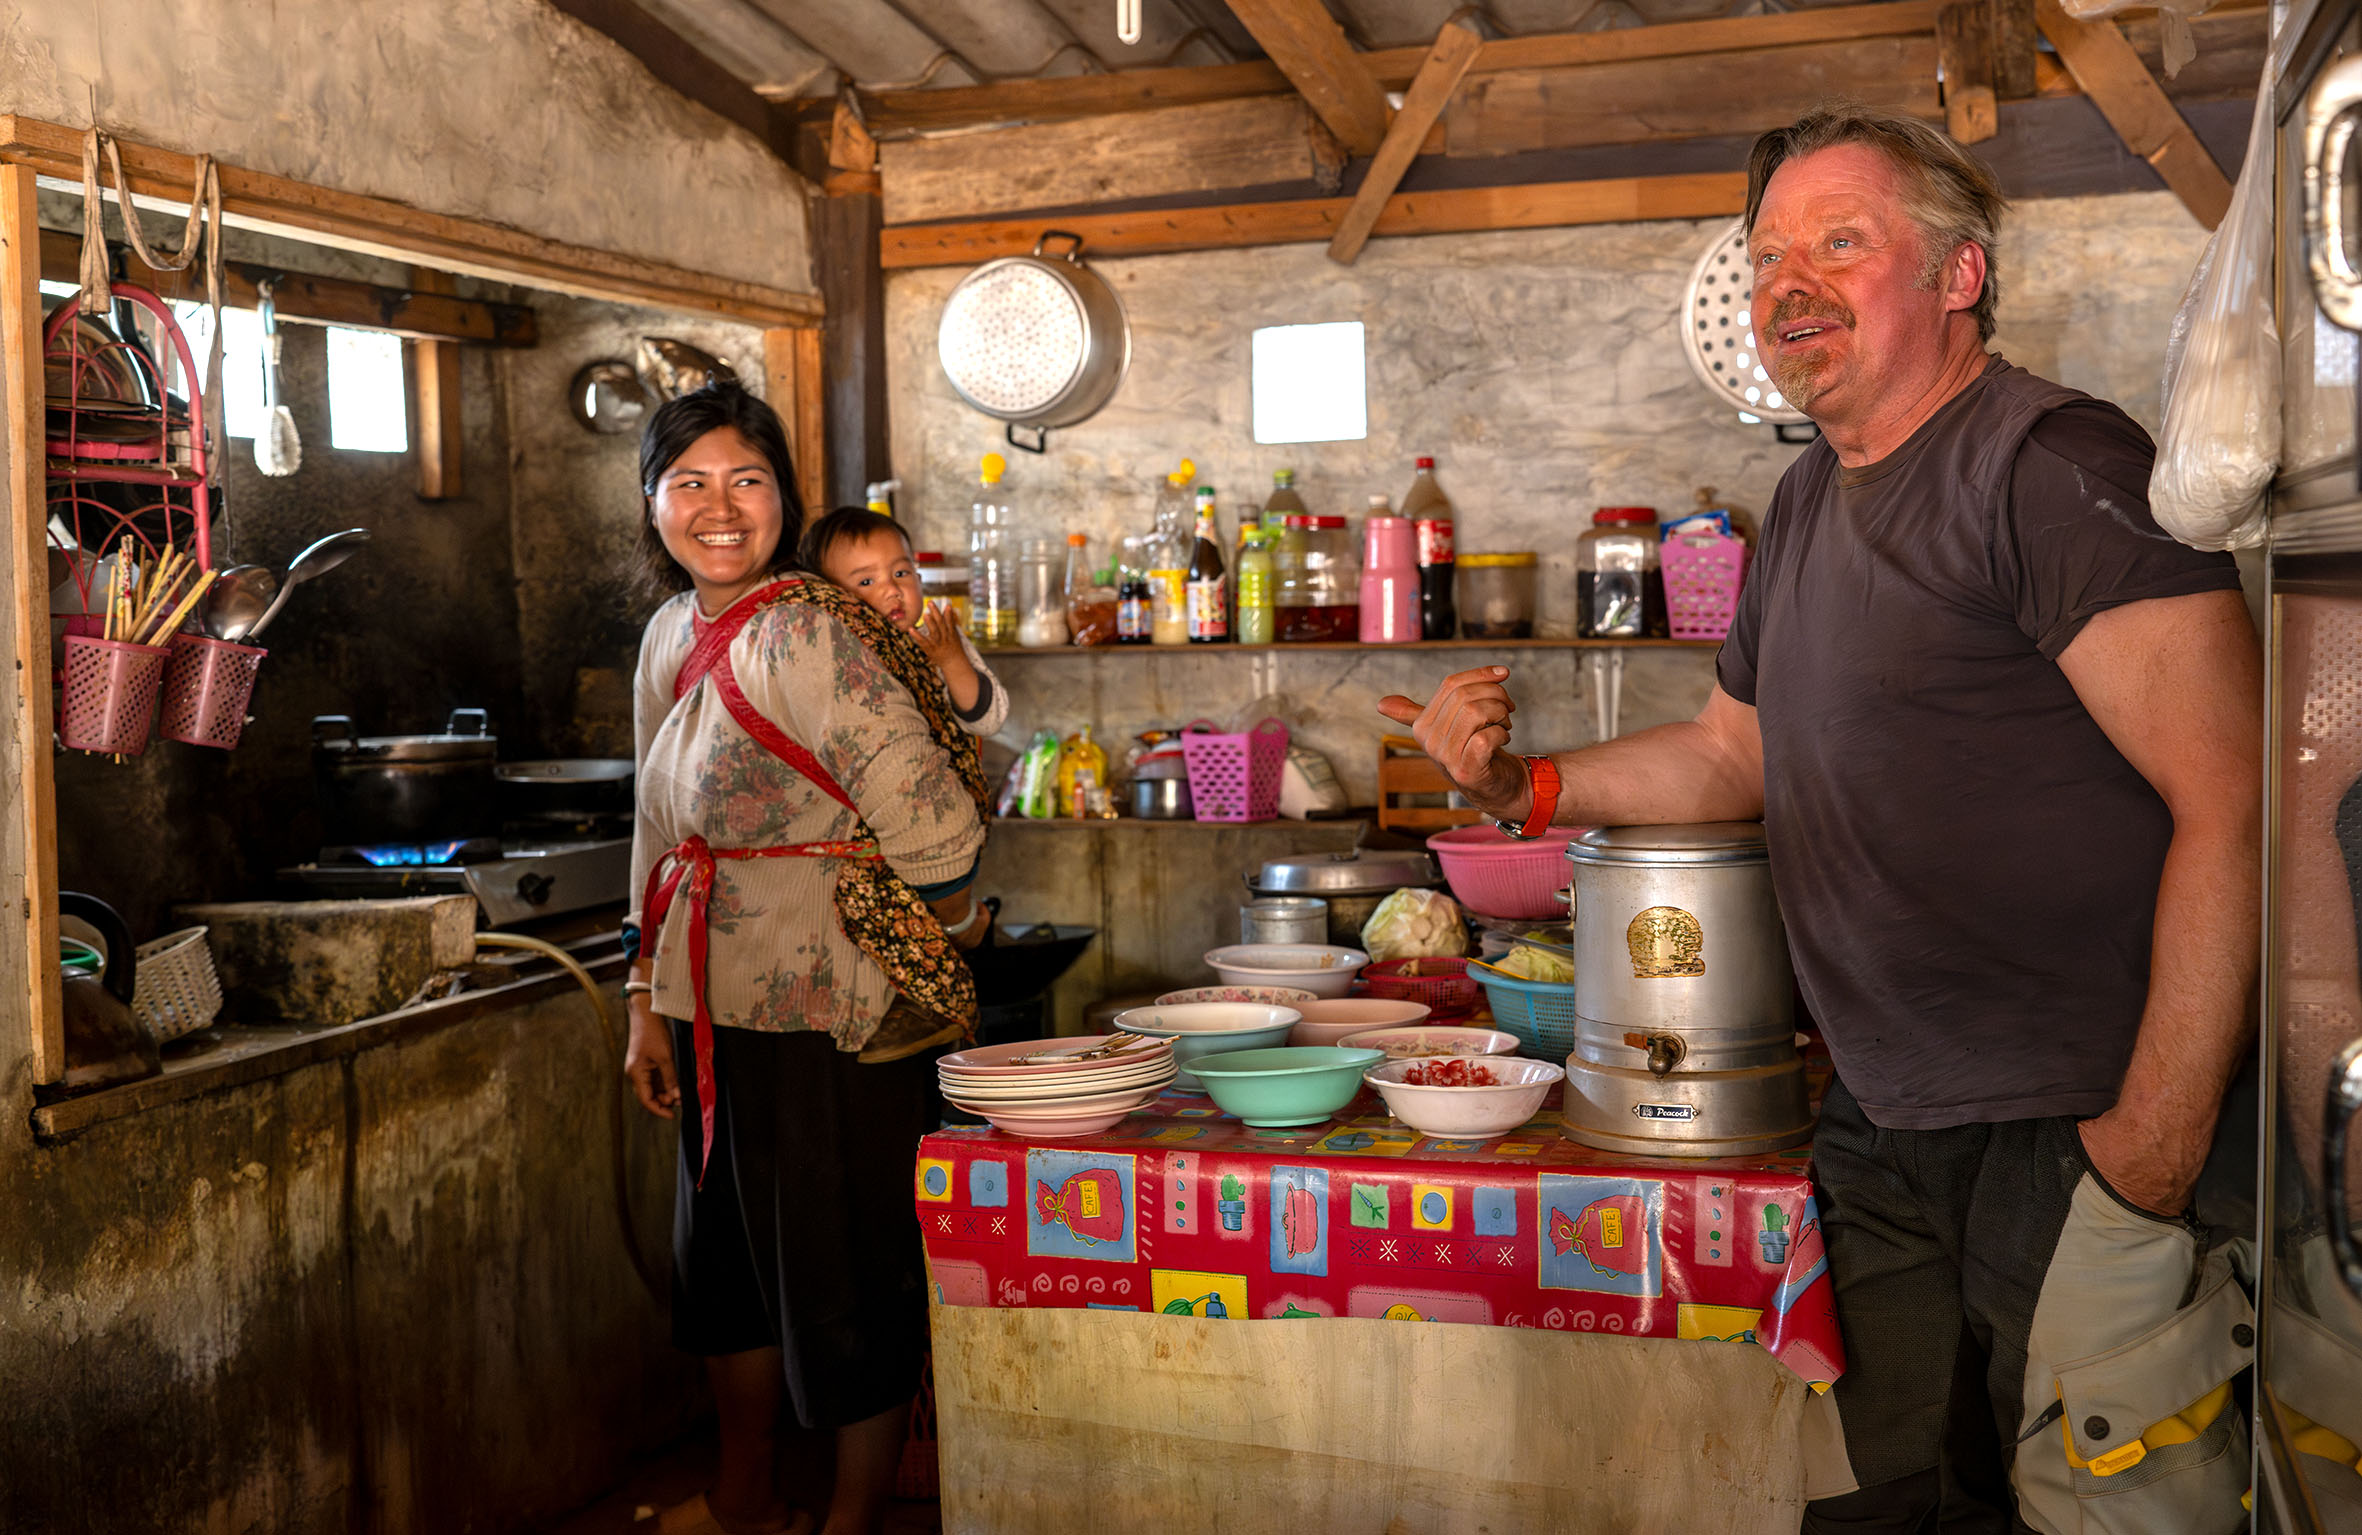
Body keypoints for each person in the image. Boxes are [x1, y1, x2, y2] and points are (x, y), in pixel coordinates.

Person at [1379, 107, 2262, 1534]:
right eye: (1766, 254)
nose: (1786, 284)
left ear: (1957, 275)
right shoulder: (1802, 502)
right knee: (1884, 1498)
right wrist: (1518, 791)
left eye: (1838, 244)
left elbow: (2231, 799)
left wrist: (2148, 1142)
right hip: (1883, 1112)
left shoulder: (2045, 463)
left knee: (2093, 1499)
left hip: (2066, 1114)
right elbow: (1733, 750)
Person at [618, 382, 993, 1535]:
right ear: (651, 502)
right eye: (690, 482)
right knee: (725, 1273)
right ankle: (741, 1497)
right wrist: (645, 1001)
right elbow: (654, 829)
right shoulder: (670, 633)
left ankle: (848, 1519)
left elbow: (940, 829)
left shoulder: (814, 628)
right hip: (708, 1008)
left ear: (784, 496)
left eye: (747, 480)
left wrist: (911, 931)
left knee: (846, 1280)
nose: (719, 508)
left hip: (835, 1012)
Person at [799, 505, 1009, 738]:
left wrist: (951, 660)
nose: (892, 590)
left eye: (901, 573)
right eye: (867, 582)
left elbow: (989, 723)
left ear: (919, 579)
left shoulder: (939, 639)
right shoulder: (839, 652)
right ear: (831, 598)